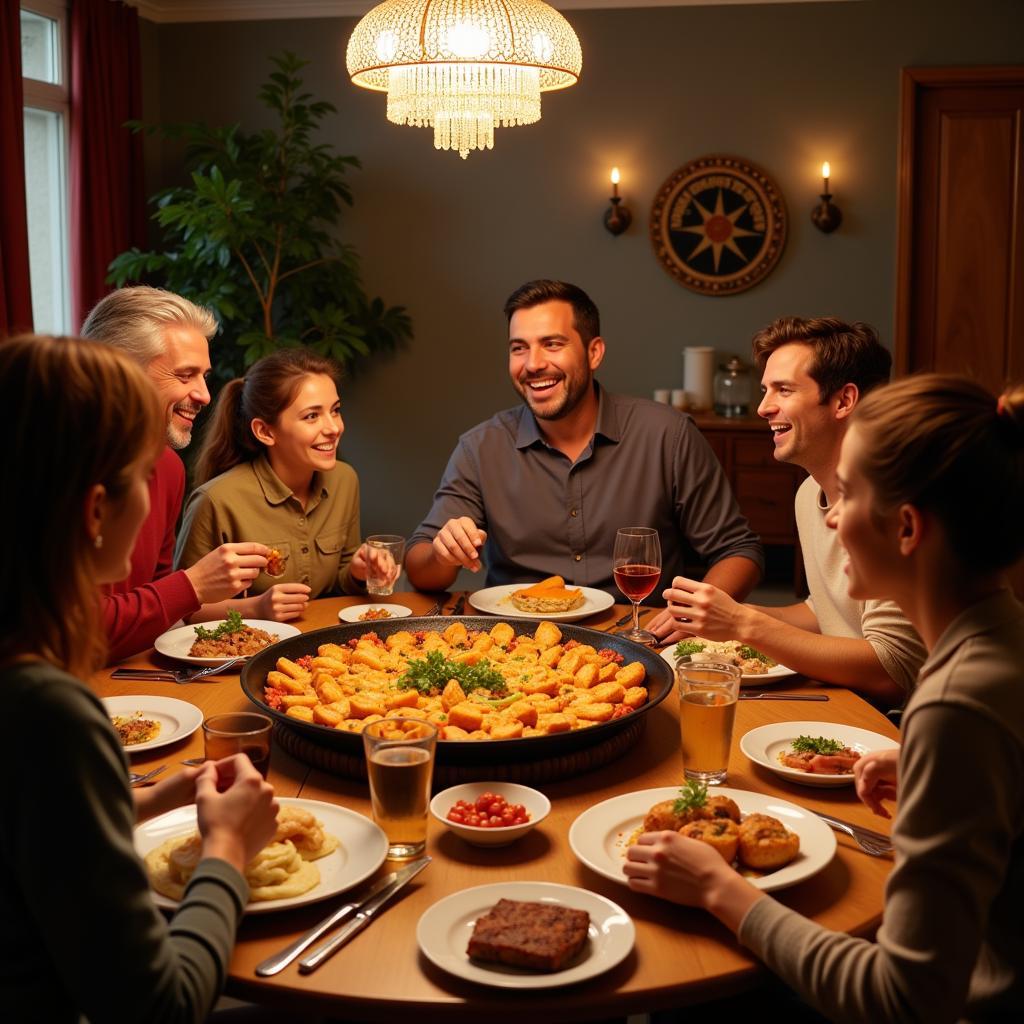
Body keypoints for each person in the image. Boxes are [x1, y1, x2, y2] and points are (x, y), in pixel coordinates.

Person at [626, 374, 1024, 1022]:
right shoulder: (1003, 641)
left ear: (905, 528)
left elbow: (904, 998)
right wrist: (928, 770)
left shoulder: (954, 708)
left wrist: (720, 890)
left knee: (697, 984)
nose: (831, 516)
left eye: (848, 494)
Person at [0, 335, 279, 1022]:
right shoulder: (46, 707)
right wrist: (227, 848)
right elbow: (160, 1006)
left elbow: (31, 831)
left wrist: (145, 799)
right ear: (96, 510)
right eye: (139, 473)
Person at [405, 279, 763, 615]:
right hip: (516, 646)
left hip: (642, 639)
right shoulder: (479, 448)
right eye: (519, 348)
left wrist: (690, 615)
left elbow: (738, 551)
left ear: (594, 353)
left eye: (552, 344)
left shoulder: (667, 435)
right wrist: (442, 554)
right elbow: (421, 569)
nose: (533, 364)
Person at [656, 317, 925, 706]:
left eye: (784, 390)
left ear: (844, 401)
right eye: (766, 390)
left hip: (895, 726)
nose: (764, 408)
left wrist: (744, 624)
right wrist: (724, 616)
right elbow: (828, 612)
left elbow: (893, 670)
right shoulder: (809, 492)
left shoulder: (895, 503)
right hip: (841, 697)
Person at [81, 286, 272, 660]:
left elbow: (152, 605)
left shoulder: (168, 468)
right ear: (119, 371)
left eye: (203, 376)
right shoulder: (52, 471)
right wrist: (193, 585)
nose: (203, 394)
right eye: (185, 375)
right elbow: (71, 629)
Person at [175, 348, 380, 621]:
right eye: (312, 416)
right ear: (265, 431)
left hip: (323, 645)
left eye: (335, 411)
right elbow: (184, 608)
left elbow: (338, 584)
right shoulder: (215, 500)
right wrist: (255, 609)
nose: (333, 428)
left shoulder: (345, 480)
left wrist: (358, 571)